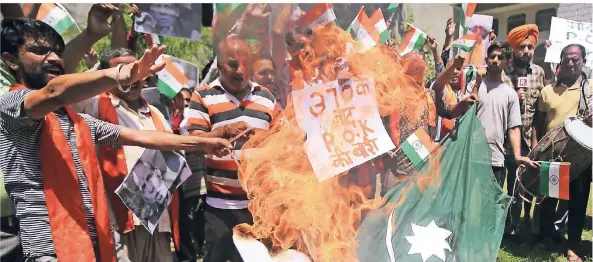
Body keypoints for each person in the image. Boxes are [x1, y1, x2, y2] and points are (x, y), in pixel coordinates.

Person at [0, 17, 231, 262]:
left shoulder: (74, 121)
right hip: (49, 250)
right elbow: (54, 92)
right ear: (11, 60)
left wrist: (205, 141)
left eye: (56, 52)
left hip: (94, 243)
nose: (55, 59)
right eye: (39, 51)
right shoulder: (12, 105)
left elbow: (141, 137)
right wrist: (122, 73)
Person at [71, 48, 186, 262]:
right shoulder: (93, 104)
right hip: (119, 221)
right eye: (126, 72)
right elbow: (68, 92)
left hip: (158, 219)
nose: (133, 78)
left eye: (138, 71)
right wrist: (98, 70)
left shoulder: (155, 112)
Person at [186, 36, 281, 262]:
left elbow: (279, 142)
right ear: (219, 65)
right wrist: (220, 135)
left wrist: (262, 140)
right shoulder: (203, 96)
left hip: (258, 209)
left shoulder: (267, 98)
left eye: (245, 63)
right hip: (219, 208)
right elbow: (195, 141)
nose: (239, 70)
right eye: (232, 64)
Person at [532, 43, 592, 262]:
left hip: (581, 158)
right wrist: (536, 148)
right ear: (560, 61)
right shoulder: (547, 91)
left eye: (575, 59)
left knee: (577, 202)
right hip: (553, 156)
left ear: (583, 61)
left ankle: (572, 246)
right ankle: (547, 237)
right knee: (549, 199)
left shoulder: (590, 89)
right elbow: (538, 124)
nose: (570, 63)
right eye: (566, 58)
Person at [502, 24, 547, 238]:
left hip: (531, 140)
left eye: (530, 47)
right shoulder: (502, 72)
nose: (526, 51)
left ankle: (526, 222)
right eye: (522, 47)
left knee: (527, 184)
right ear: (513, 48)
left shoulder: (538, 73)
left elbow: (540, 111)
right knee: (511, 185)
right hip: (506, 142)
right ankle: (509, 225)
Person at [475, 42, 538, 188]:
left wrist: (517, 155)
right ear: (486, 61)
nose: (495, 60)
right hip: (471, 157)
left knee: (490, 205)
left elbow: (514, 127)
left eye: (500, 57)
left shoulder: (511, 94)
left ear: (506, 63)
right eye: (492, 57)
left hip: (495, 159)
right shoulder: (475, 86)